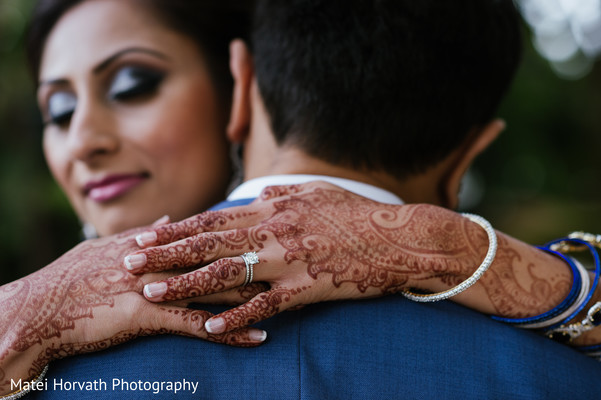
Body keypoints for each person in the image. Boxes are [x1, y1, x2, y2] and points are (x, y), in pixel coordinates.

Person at [2, 0, 595, 398]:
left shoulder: (45, 377)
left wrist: (449, 244)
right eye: (55, 110)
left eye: (134, 84)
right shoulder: (563, 368)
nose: (83, 142)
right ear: (470, 154)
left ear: (238, 85)